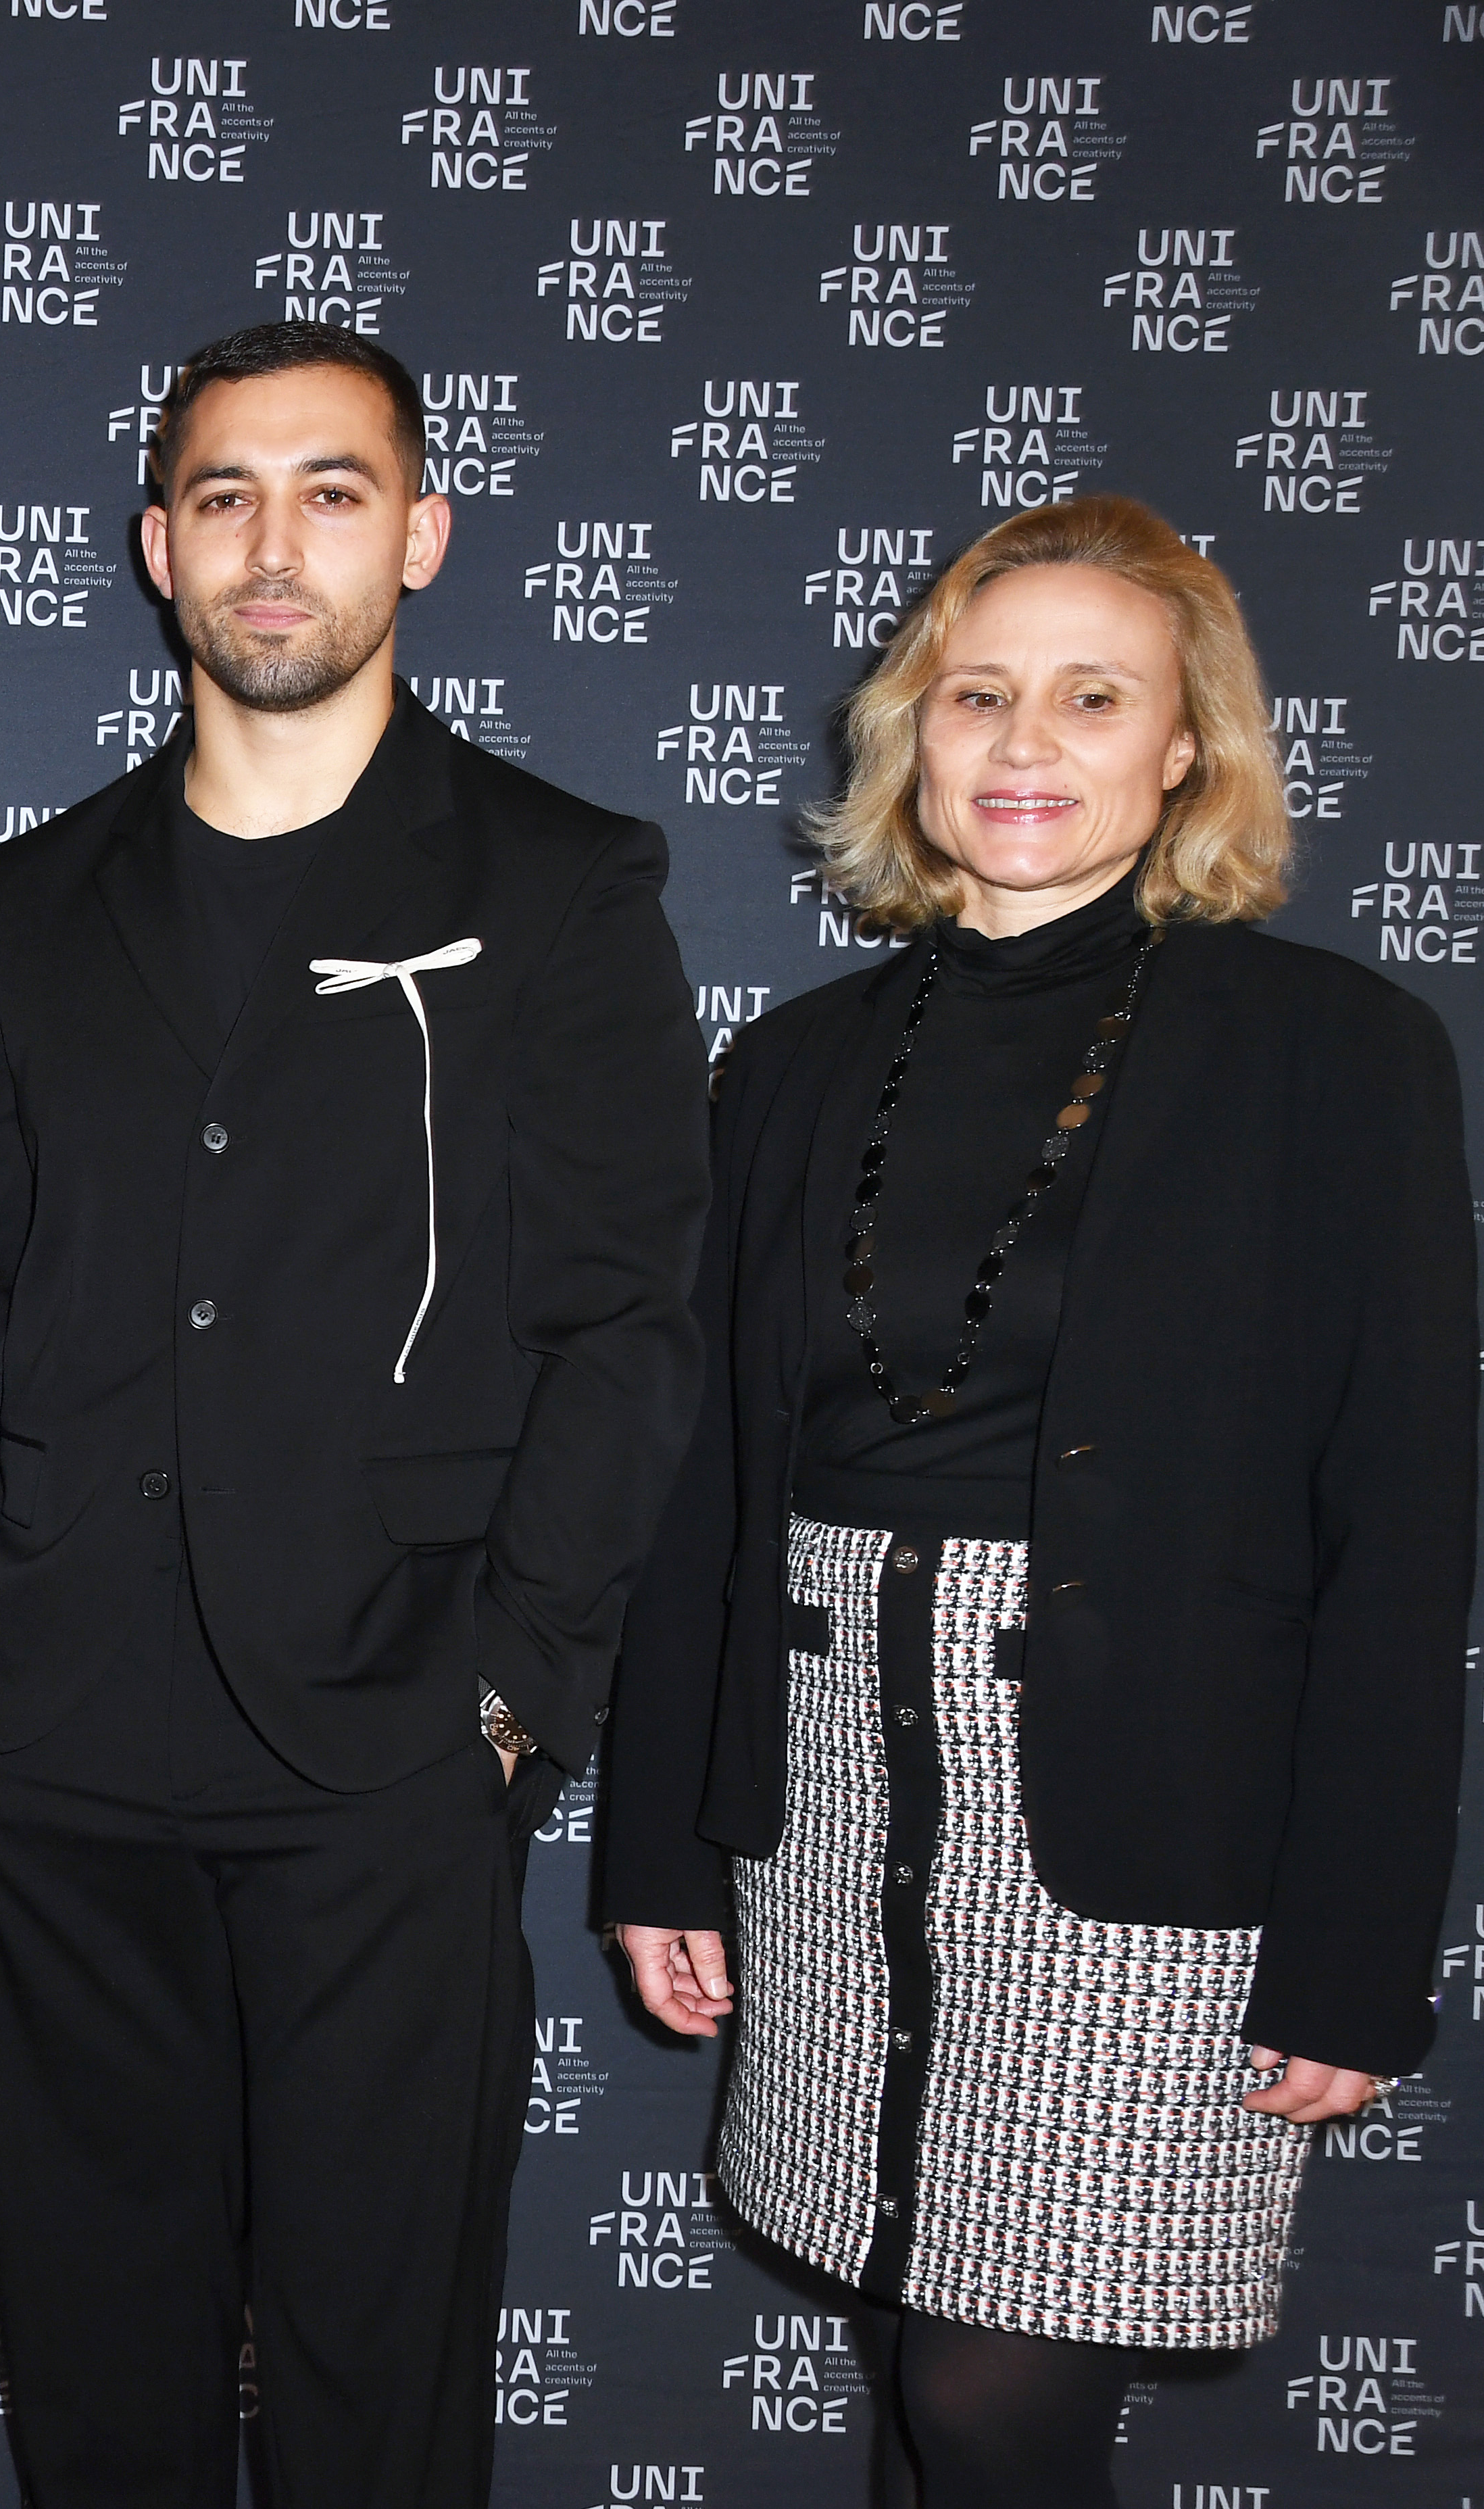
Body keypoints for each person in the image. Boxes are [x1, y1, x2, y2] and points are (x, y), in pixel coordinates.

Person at [597, 495, 1472, 2509]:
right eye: (978, 695)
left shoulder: (1338, 1054)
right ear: (916, 730)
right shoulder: (800, 1065)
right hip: (832, 1783)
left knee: (1000, 2396)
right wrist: (665, 1837)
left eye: (1095, 699)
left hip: (1144, 1807)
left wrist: (1357, 1945)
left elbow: (1402, 1526)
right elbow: (707, 1479)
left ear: (1187, 748)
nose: (1022, 745)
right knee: (917, 2354)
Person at [0, 320, 712, 2507]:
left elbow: (632, 1326)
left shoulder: (562, 885)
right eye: (231, 496)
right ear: (160, 546)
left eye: (335, 491)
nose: (279, 545)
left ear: (422, 535)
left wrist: (512, 1696)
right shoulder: (23, 904)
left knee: (380, 2385)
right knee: (99, 2378)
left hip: (388, 1736)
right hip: (48, 1738)